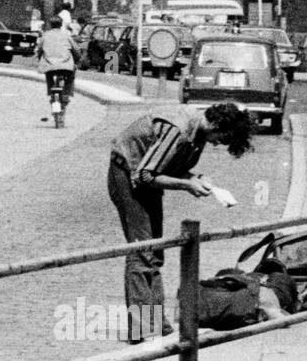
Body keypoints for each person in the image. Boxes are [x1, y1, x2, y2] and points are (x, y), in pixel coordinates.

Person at [108, 103, 255, 343]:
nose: (218, 144)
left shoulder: (199, 133)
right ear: (218, 125)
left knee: (154, 250)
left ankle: (156, 324)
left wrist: (195, 178)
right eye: (222, 138)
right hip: (126, 172)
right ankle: (140, 328)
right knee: (141, 249)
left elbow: (170, 167)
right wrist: (188, 185)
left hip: (142, 177)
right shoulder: (180, 130)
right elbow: (145, 175)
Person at [35, 16, 79, 117]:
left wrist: (40, 58)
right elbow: (76, 50)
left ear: (50, 25)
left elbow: (39, 50)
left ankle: (51, 92)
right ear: (61, 24)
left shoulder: (45, 35)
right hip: (66, 65)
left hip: (49, 65)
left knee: (49, 75)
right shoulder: (67, 35)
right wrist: (77, 60)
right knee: (70, 76)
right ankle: (66, 94)